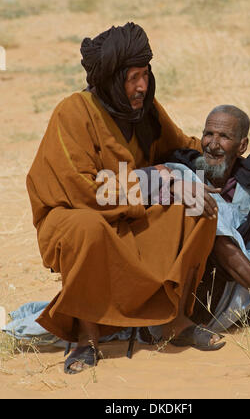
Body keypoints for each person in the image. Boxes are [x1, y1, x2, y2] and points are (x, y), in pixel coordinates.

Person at [26, 23, 225, 375]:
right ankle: (87, 337)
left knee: (199, 208)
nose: (142, 86)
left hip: (128, 218)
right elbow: (83, 190)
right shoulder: (73, 111)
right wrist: (159, 181)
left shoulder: (144, 109)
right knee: (87, 226)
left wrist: (217, 162)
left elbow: (180, 145)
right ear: (111, 80)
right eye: (133, 78)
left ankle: (173, 322)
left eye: (145, 75)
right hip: (74, 218)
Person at [166, 105, 250, 333]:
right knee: (209, 219)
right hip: (204, 298)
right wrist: (172, 183)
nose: (213, 144)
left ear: (242, 146)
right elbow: (146, 180)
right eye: (208, 134)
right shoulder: (185, 172)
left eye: (224, 136)